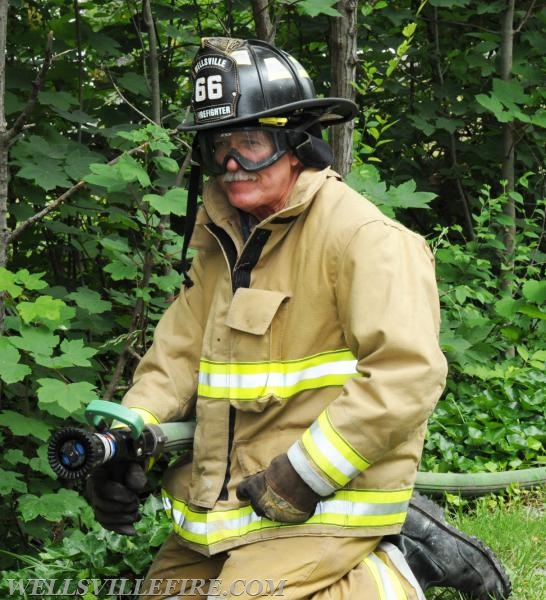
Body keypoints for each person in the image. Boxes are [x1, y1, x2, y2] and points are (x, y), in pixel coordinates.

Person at [87, 37, 511, 600]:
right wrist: (123, 438)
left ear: (297, 144)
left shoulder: (363, 239)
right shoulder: (220, 244)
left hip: (325, 505)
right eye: (219, 147)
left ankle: (391, 570)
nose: (232, 164)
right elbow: (175, 359)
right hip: (224, 513)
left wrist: (306, 473)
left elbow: (407, 375)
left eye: (251, 142)